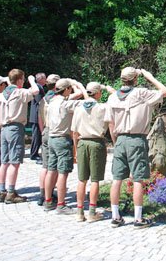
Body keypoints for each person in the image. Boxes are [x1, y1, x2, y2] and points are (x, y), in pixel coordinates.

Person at [105, 67, 166, 229]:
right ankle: (138, 219)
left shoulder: (112, 97)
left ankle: (115, 217)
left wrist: (116, 142)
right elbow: (165, 92)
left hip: (120, 140)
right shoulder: (141, 93)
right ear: (135, 79)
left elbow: (110, 123)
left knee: (117, 179)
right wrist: (149, 76)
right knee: (138, 179)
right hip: (137, 139)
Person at [71, 81, 115, 223]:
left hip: (82, 143)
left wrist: (75, 149)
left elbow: (74, 132)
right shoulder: (102, 108)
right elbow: (115, 98)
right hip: (97, 143)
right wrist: (109, 89)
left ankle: (79, 212)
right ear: (97, 93)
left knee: (82, 179)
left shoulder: (78, 107)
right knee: (95, 179)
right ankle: (91, 211)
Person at [44, 78, 88, 215]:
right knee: (63, 172)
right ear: (67, 89)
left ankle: (48, 200)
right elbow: (88, 102)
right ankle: (61, 205)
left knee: (51, 170)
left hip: (51, 138)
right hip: (63, 140)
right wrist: (79, 85)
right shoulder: (66, 104)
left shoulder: (51, 102)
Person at [0, 69, 39, 204]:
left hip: (3, 128)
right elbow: (35, 91)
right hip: (15, 128)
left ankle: (1, 190)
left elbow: (11, 83)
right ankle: (11, 193)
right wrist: (32, 80)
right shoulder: (19, 92)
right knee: (14, 162)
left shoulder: (3, 93)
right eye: (23, 79)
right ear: (20, 80)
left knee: (4, 161)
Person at [36, 74, 60, 207]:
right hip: (54, 132)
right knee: (54, 167)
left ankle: (42, 194)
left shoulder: (43, 100)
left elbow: (40, 119)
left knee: (45, 165)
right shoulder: (57, 99)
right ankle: (49, 194)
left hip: (44, 130)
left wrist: (43, 132)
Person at [29, 73, 47, 162]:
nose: (46, 80)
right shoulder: (38, 88)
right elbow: (39, 101)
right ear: (41, 79)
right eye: (45, 78)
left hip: (36, 115)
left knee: (37, 135)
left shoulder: (38, 87)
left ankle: (35, 153)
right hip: (36, 115)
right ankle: (34, 154)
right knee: (36, 136)